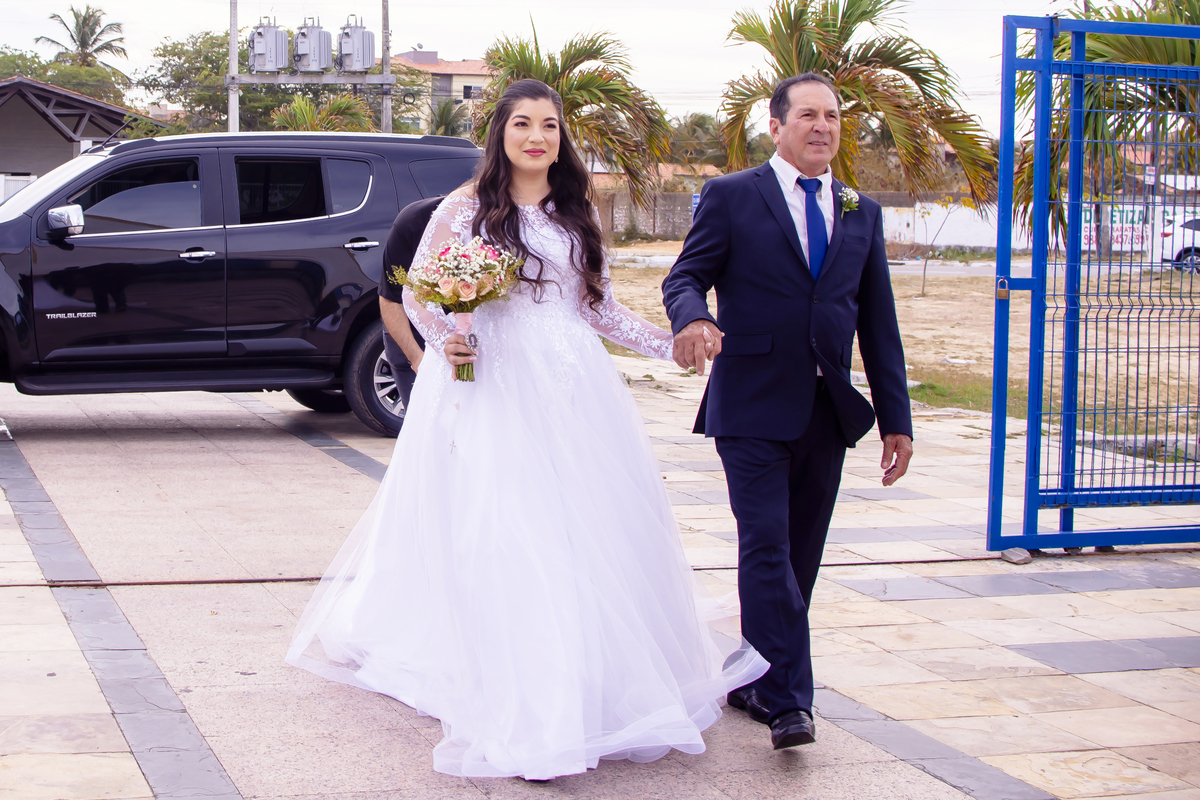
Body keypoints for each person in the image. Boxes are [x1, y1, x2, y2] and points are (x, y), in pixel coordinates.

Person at [287, 79, 767, 781]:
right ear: (501, 134)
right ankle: (529, 696)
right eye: (522, 124)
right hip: (496, 386)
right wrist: (448, 338)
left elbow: (598, 310)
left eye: (549, 125)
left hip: (575, 389)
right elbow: (416, 292)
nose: (537, 137)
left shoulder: (579, 212)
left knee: (585, 528)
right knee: (513, 526)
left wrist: (668, 345)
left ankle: (592, 678)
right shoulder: (466, 208)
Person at [661, 73, 914, 750]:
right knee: (767, 545)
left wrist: (896, 419)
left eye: (832, 116)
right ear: (776, 127)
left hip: (826, 410)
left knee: (799, 557)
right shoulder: (732, 196)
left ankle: (753, 677)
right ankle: (790, 702)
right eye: (807, 115)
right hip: (750, 403)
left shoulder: (860, 210)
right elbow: (685, 276)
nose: (822, 126)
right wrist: (693, 318)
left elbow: (878, 323)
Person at [377, 196, 443, 407]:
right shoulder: (413, 221)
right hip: (413, 335)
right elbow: (391, 299)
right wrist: (417, 359)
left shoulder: (498, 224)